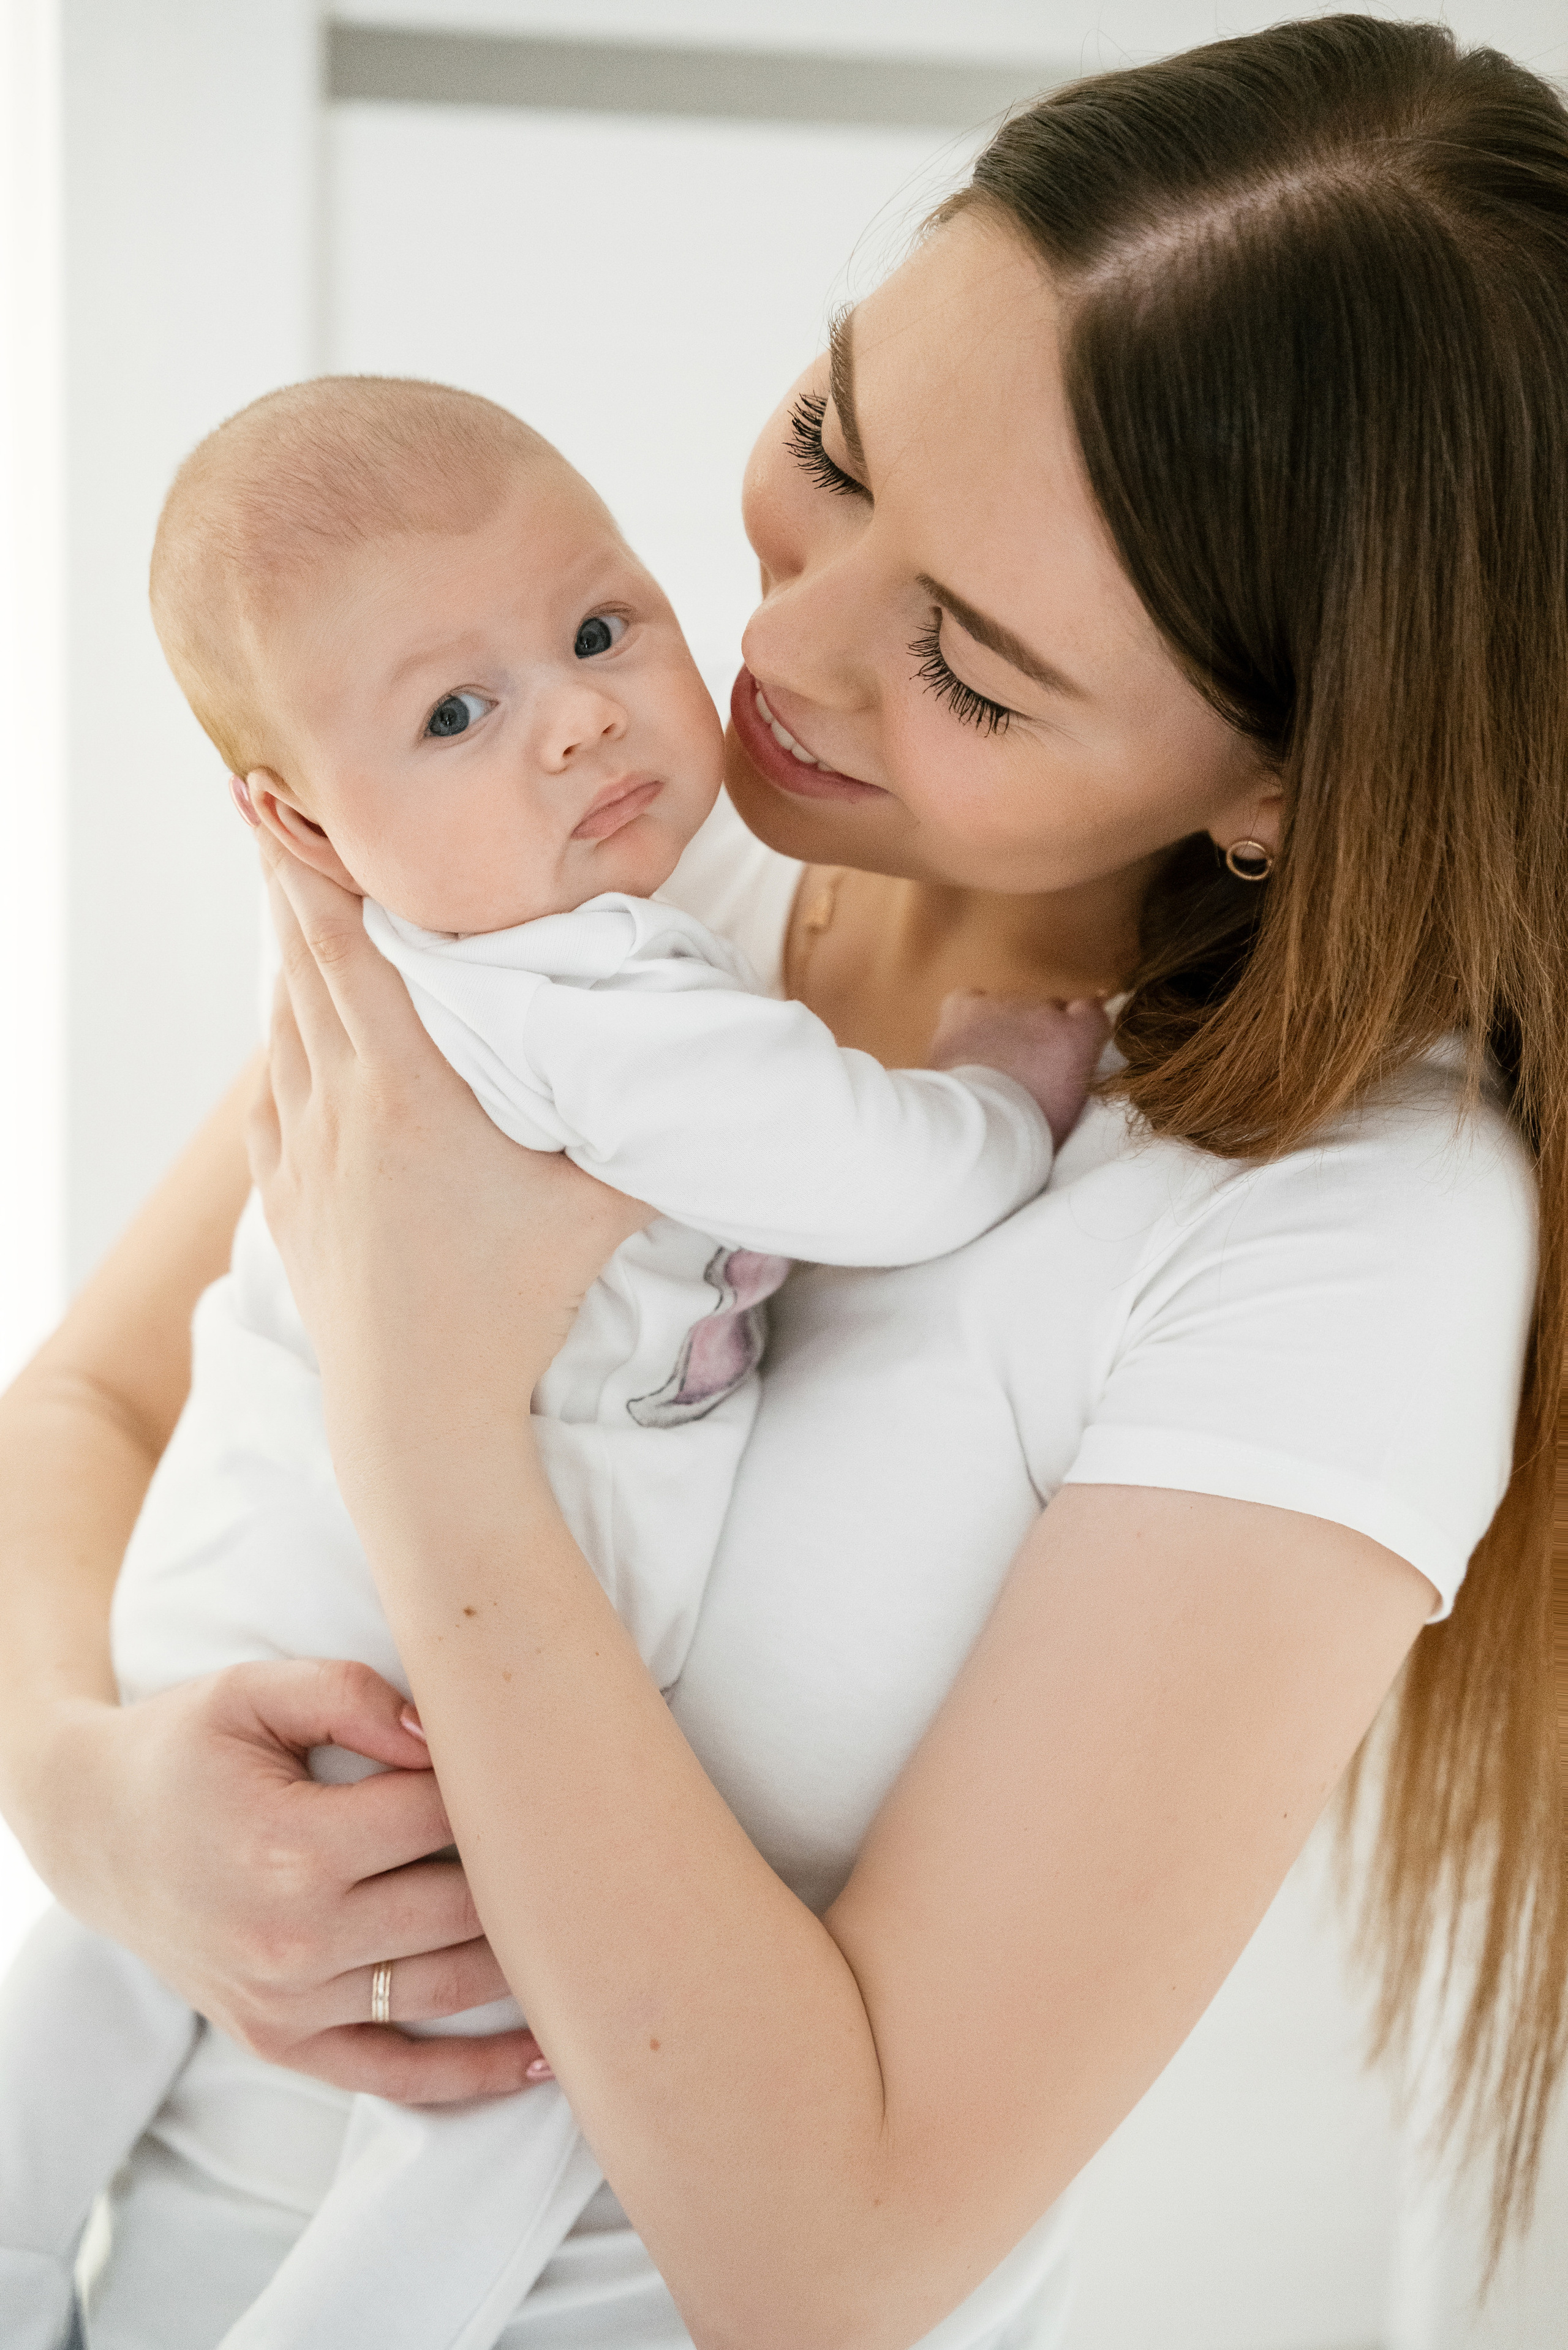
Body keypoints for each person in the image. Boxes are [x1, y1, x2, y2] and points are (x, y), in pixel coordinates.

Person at [1, 17, 1564, 2348]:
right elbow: (91, 1415)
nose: (780, 647)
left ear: (1283, 783)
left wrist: (439, 1452)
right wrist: (95, 1806)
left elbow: (825, 2264)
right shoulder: (602, 847)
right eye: (835, 443)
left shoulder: (1351, 1227)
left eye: (969, 661)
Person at [0, 372, 1097, 2350]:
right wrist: (999, 1106)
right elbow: (863, 1169)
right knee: (514, 2088)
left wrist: (81, 1792)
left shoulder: (426, 960)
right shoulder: (588, 996)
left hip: (225, 1593)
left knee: (98, 1968)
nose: (580, 713)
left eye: (598, 629)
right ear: (297, 822)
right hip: (397, 1675)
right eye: (455, 712)